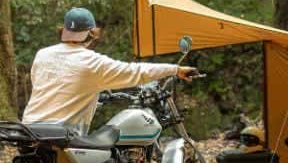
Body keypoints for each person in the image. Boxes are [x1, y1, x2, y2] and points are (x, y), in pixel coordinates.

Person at [22, 7, 196, 135]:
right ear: (91, 34)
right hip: (63, 135)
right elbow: (136, 72)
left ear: (64, 30)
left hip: (29, 129)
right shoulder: (92, 62)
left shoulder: (42, 54)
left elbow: (48, 86)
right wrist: (176, 69)